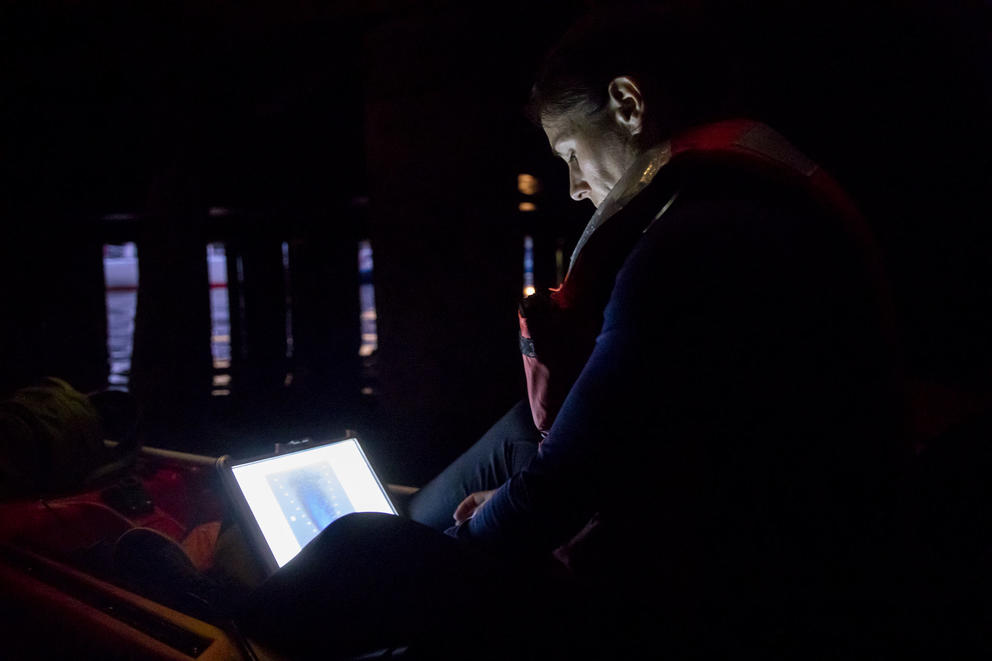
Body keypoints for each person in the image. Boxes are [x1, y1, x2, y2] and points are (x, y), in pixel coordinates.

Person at [239, 6, 909, 658]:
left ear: (627, 104)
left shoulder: (693, 245)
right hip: (727, 529)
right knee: (490, 458)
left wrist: (446, 560)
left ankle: (238, 622)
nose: (574, 187)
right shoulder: (746, 207)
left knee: (361, 542)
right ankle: (405, 547)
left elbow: (562, 488)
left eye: (568, 152)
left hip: (716, 595)